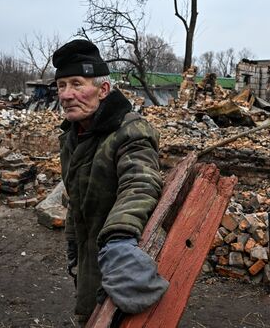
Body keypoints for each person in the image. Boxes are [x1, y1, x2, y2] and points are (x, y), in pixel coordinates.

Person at [53, 39, 168, 325]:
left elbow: (139, 182)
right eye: (61, 85)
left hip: (119, 255)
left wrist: (118, 239)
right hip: (88, 258)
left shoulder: (130, 131)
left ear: (103, 89)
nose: (66, 95)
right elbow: (76, 201)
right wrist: (72, 249)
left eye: (77, 83)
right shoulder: (72, 136)